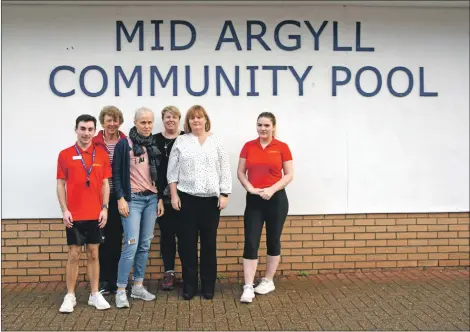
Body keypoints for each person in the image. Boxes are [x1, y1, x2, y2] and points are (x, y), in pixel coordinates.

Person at [167, 105, 232, 300]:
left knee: (208, 244)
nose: (196, 121)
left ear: (205, 120)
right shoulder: (181, 141)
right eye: (192, 118)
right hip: (186, 199)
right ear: (188, 122)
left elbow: (225, 168)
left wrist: (225, 194)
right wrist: (174, 195)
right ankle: (189, 286)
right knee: (187, 245)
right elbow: (172, 172)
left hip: (211, 202)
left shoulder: (216, 141)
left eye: (199, 117)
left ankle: (208, 286)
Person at [56, 114, 112, 313]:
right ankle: (70, 295)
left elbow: (105, 183)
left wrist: (105, 208)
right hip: (75, 214)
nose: (86, 133)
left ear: (95, 131)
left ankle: (94, 294)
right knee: (73, 255)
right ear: (76, 129)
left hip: (95, 214)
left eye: (90, 129)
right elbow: (61, 184)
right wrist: (64, 210)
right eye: (83, 128)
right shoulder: (65, 154)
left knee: (94, 254)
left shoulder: (102, 155)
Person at [237, 112, 294, 303]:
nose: (263, 128)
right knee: (251, 241)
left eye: (267, 125)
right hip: (254, 199)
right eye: (260, 125)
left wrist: (272, 189)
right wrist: (250, 187)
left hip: (276, 199)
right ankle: (248, 286)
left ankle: (268, 280)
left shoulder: (282, 147)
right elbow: (240, 172)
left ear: (274, 127)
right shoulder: (248, 146)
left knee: (273, 240)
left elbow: (288, 174)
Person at [113, 107, 164, 308]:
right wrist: (120, 198)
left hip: (151, 199)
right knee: (131, 245)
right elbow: (116, 173)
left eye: (150, 122)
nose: (147, 126)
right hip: (132, 200)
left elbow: (160, 173)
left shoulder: (155, 144)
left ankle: (138, 286)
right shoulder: (124, 144)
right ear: (135, 123)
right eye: (143, 122)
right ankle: (120, 290)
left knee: (144, 245)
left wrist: (159, 197)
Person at [92, 106, 127, 295]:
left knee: (116, 239)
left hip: (119, 198)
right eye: (108, 120)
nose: (112, 124)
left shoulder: (126, 141)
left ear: (119, 122)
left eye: (115, 120)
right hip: (98, 199)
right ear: (102, 122)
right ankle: (105, 280)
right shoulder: (95, 142)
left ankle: (116, 280)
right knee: (101, 240)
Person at [153, 106, 184, 290]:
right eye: (167, 117)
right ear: (163, 119)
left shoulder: (187, 138)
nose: (170, 120)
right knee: (167, 236)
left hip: (185, 196)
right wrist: (157, 197)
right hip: (162, 198)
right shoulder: (154, 140)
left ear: (179, 119)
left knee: (186, 236)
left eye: (174, 117)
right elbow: (150, 171)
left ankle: (188, 272)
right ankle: (169, 272)